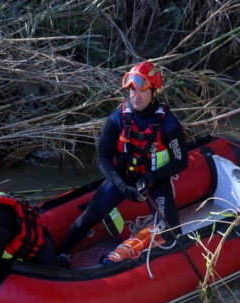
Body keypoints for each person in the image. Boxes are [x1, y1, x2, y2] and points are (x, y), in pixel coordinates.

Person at [57, 61, 189, 264]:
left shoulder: (169, 123)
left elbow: (181, 160)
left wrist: (152, 176)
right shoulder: (117, 118)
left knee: (171, 233)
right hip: (123, 180)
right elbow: (103, 158)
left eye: (142, 91)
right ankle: (61, 255)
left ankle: (145, 260)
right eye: (132, 90)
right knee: (88, 218)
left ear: (154, 93)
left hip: (156, 182)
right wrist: (121, 186)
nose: (135, 96)